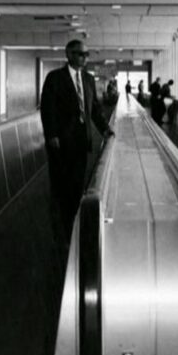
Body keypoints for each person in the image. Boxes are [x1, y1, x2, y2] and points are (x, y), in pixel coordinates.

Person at [40, 39, 113, 237]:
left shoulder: (88, 79)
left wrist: (105, 129)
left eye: (87, 54)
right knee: (61, 186)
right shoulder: (55, 78)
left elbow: (94, 110)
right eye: (81, 54)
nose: (85, 58)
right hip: (61, 142)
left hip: (82, 141)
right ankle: (61, 230)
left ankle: (72, 224)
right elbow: (47, 109)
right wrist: (51, 135)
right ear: (69, 55)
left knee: (78, 184)